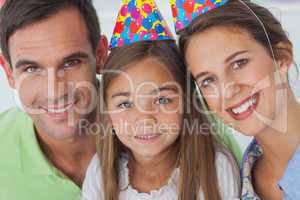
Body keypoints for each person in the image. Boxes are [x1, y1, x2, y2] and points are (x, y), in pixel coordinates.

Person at [82, 0, 240, 199]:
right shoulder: (100, 173)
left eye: (162, 100)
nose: (145, 119)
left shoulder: (215, 168)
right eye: (125, 104)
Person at [171, 0, 300, 199]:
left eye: (239, 63)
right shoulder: (232, 183)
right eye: (207, 80)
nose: (227, 91)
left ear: (282, 56)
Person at [0, 0, 108, 199]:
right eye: (32, 69)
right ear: (9, 72)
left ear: (100, 55)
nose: (54, 92)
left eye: (70, 62)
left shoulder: (159, 131)